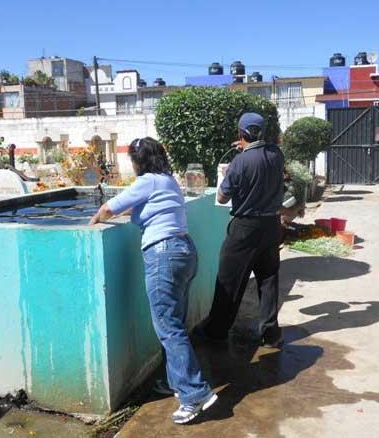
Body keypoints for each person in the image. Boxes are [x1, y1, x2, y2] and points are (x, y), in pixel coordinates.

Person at [89, 137, 217, 424]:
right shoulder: (167, 181)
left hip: (164, 256)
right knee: (174, 323)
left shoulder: (147, 181)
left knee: (169, 328)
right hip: (184, 251)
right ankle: (175, 381)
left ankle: (195, 393)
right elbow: (136, 208)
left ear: (139, 161)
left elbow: (109, 207)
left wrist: (92, 222)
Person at [201, 112, 285, 347]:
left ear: (241, 134)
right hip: (271, 226)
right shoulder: (277, 155)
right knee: (268, 280)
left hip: (245, 228)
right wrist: (246, 150)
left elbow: (222, 195)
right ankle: (271, 334)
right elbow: (261, 159)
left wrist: (229, 172)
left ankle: (216, 331)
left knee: (229, 279)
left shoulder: (240, 162)